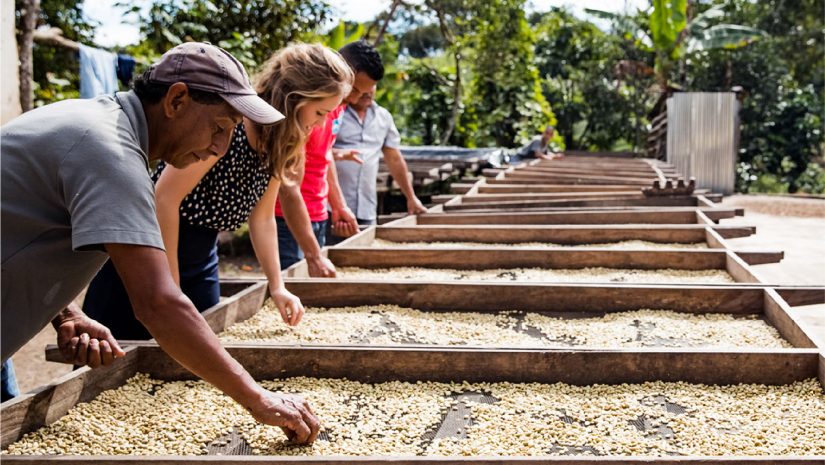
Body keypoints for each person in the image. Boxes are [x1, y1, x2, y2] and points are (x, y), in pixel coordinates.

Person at [1, 42, 320, 444]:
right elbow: (157, 303)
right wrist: (259, 399)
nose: (221, 147)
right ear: (177, 99)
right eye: (219, 127)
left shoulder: (101, 124)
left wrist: (65, 314)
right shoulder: (110, 152)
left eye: (232, 132)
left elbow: (20, 227)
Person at [83, 43, 353, 338]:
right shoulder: (227, 125)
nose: (321, 122)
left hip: (202, 260)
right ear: (295, 99)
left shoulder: (281, 142)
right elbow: (164, 200)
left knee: (200, 352)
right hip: (147, 255)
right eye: (320, 112)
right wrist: (170, 289)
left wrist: (277, 286)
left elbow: (262, 219)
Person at [331, 41, 427, 233]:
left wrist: (411, 197)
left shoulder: (383, 117)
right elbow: (316, 152)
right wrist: (340, 154)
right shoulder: (331, 110)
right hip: (331, 207)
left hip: (366, 206)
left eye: (370, 89)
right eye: (358, 89)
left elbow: (394, 158)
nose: (364, 94)